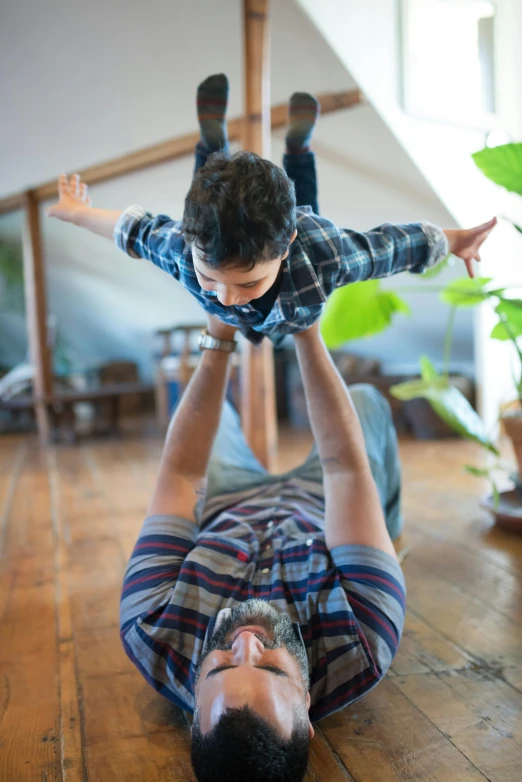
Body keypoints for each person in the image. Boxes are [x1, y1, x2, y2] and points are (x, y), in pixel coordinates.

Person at [120, 312, 407, 782]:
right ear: (307, 713)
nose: (248, 643)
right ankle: (385, 541)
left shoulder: (150, 628)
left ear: (193, 713)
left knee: (207, 413)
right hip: (326, 500)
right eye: (274, 670)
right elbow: (346, 472)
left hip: (224, 501)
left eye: (220, 667)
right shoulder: (364, 636)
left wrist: (218, 334)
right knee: (365, 402)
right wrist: (306, 326)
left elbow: (182, 472)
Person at [47, 74, 496, 346]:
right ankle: (213, 145)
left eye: (245, 283)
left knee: (305, 205)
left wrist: (454, 241)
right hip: (221, 228)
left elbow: (393, 248)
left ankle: (294, 147)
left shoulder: (324, 254)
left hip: (303, 242)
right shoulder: (185, 248)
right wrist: (76, 213)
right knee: (208, 196)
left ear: (285, 249)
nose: (222, 297)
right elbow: (133, 231)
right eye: (209, 279)